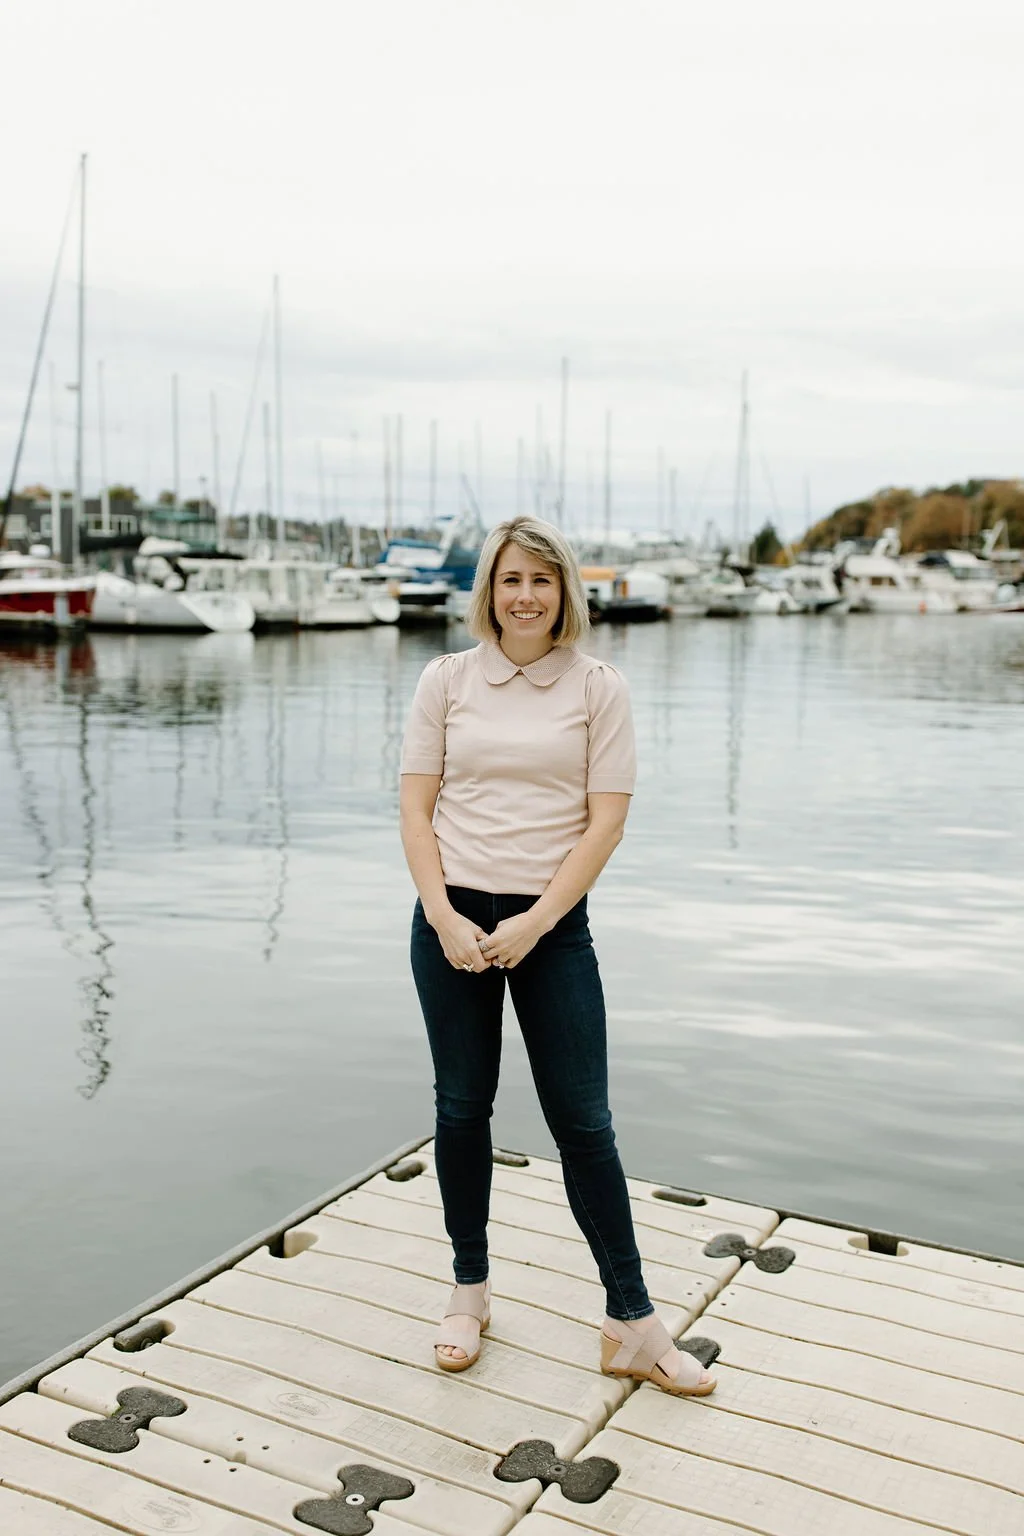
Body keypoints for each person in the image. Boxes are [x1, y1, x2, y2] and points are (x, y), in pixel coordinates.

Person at [399, 514, 715, 1397]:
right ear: (489, 591)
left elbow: (606, 823)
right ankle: (469, 1292)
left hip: (552, 927)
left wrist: (537, 922)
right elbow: (415, 809)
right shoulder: (445, 680)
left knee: (584, 1124)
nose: (526, 596)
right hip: (452, 923)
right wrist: (444, 917)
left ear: (564, 591)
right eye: (511, 579)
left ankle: (631, 1320)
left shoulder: (598, 687)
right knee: (462, 1109)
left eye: (541, 580)